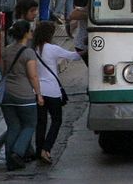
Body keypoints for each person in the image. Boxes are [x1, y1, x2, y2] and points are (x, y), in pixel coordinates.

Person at [33, 21, 81, 164]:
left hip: (38, 91)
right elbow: (74, 56)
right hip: (52, 91)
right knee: (56, 120)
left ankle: (38, 150)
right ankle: (46, 149)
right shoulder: (52, 49)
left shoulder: (33, 49)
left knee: (41, 123)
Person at [1, 20, 44, 171]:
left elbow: (3, 71)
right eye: (30, 30)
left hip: (6, 94)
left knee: (13, 126)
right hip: (24, 94)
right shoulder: (28, 52)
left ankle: (9, 159)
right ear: (26, 33)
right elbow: (33, 76)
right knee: (29, 125)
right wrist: (38, 94)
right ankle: (17, 152)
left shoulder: (6, 50)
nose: (32, 33)